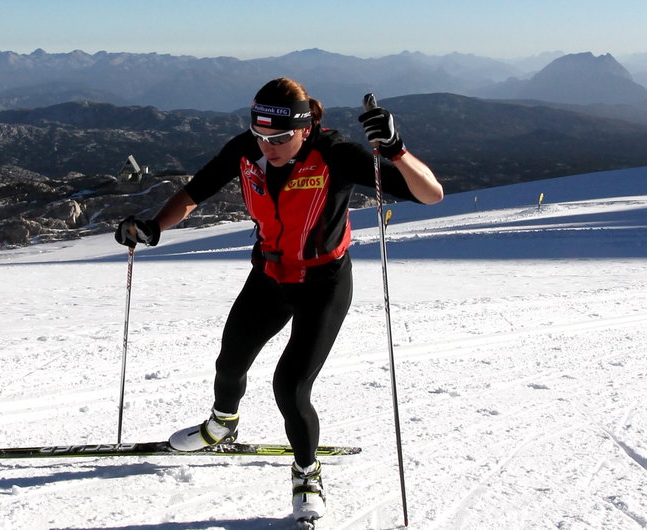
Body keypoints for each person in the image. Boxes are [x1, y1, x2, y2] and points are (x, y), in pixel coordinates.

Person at [115, 77, 443, 522]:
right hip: (269, 274)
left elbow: (430, 194)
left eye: (281, 137)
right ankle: (222, 426)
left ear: (306, 128)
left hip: (323, 282)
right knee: (230, 361)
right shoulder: (247, 150)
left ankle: (307, 471)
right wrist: (155, 227)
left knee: (290, 386)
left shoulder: (336, 156)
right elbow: (196, 192)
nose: (268, 146)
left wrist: (397, 149)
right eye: (261, 135)